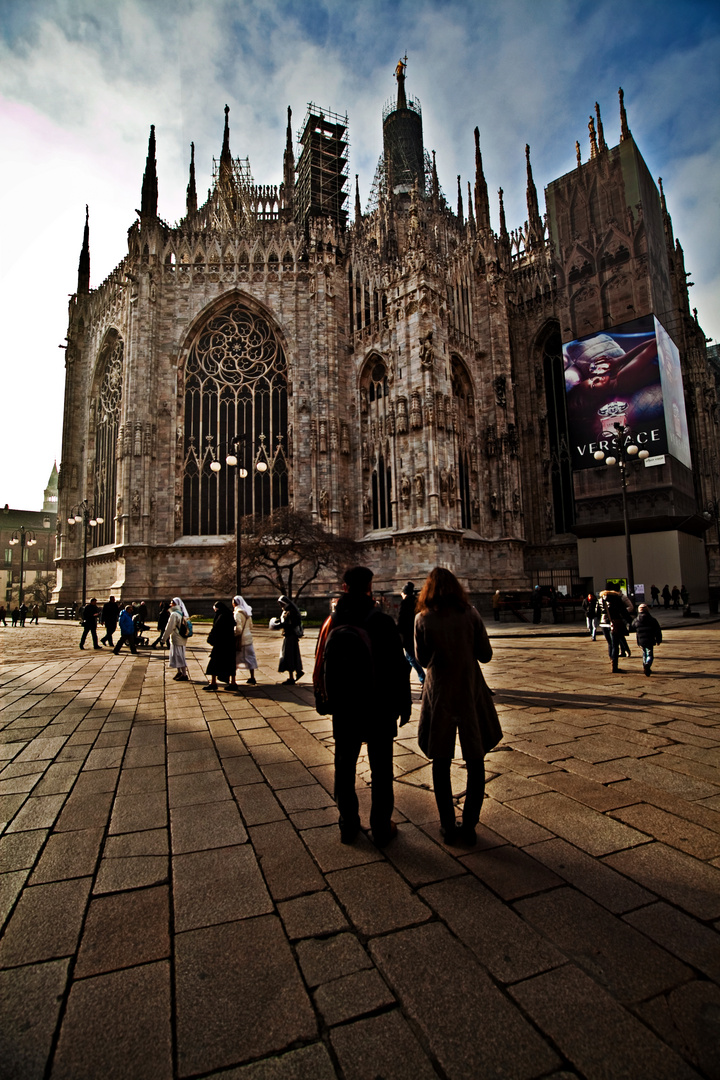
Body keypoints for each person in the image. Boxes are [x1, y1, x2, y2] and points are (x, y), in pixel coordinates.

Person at [315, 565, 411, 846]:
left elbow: (321, 665)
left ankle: (348, 824)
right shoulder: (381, 621)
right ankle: (381, 826)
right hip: (379, 707)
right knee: (382, 769)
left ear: (344, 587)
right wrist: (402, 706)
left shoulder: (330, 622)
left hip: (345, 708)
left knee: (344, 766)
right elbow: (398, 668)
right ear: (370, 587)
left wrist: (325, 702)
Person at [414, 567, 502, 847]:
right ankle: (470, 825)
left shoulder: (422, 619)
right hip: (469, 690)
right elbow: (485, 655)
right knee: (475, 759)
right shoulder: (471, 614)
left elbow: (423, 659)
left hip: (439, 692)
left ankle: (448, 826)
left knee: (440, 761)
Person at [205, 601, 237, 691]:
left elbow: (216, 629)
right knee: (230, 664)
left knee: (214, 663)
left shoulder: (220, 616)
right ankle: (233, 683)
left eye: (215, 608)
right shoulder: (229, 615)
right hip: (230, 643)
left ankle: (213, 683)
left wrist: (211, 639)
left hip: (221, 644)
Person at [597, 589, 632, 673]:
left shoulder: (600, 599)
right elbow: (623, 611)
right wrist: (630, 621)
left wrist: (601, 619)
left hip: (603, 623)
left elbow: (597, 612)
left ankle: (611, 659)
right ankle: (614, 665)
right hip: (614, 622)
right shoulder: (616, 599)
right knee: (615, 644)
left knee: (609, 643)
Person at [397, 582, 424, 685]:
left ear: (405, 593)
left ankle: (422, 678)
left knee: (411, 658)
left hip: (407, 635)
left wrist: (398, 631)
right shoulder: (417, 602)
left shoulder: (405, 603)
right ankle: (404, 679)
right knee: (409, 658)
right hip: (416, 632)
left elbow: (401, 619)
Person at [161, 597, 190, 681]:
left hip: (177, 638)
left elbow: (169, 628)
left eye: (171, 603)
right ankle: (179, 672)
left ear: (175, 604)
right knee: (177, 656)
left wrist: (163, 639)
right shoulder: (181, 613)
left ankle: (184, 674)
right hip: (182, 637)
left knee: (179, 656)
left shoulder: (174, 614)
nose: (170, 604)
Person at [277, 595, 304, 684]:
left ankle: (291, 678)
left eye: (281, 604)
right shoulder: (289, 611)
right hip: (291, 636)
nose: (280, 606)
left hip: (290, 636)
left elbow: (290, 624)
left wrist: (279, 625)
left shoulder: (290, 612)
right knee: (293, 655)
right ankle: (298, 671)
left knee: (289, 656)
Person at [233, 595, 258, 684]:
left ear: (235, 603)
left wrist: (234, 634)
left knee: (235, 659)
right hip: (248, 638)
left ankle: (233, 679)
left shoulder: (237, 614)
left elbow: (238, 628)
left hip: (241, 640)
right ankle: (252, 677)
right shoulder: (248, 613)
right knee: (250, 657)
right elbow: (251, 626)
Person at [632, 603, 662, 676]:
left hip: (641, 640)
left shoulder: (636, 620)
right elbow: (658, 630)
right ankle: (647, 664)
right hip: (650, 639)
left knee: (644, 653)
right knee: (650, 654)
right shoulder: (652, 619)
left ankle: (644, 664)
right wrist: (659, 639)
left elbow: (632, 626)